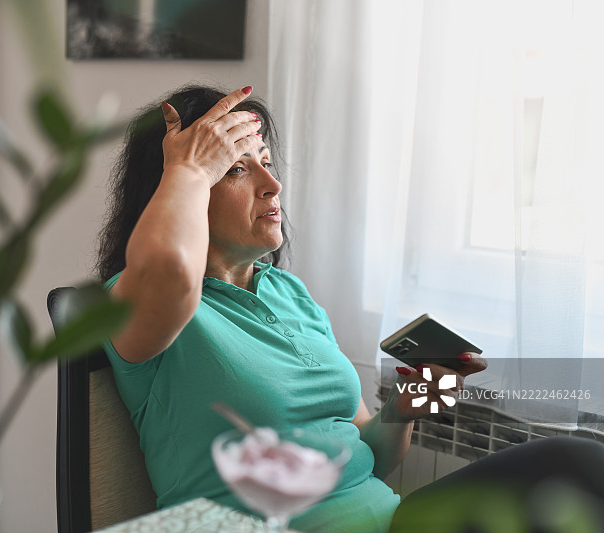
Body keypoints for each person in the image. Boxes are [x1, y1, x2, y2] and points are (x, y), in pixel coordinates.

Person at [96, 84, 604, 532]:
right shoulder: (137, 305)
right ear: (175, 190)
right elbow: (171, 271)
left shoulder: (289, 294)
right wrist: (187, 166)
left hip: (390, 521)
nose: (272, 185)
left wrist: (404, 408)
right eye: (234, 169)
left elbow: (370, 458)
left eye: (266, 162)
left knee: (576, 464)